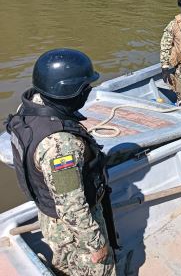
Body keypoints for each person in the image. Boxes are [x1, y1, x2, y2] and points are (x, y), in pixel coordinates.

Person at [5, 49, 115, 275]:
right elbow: (72, 207)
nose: (89, 91)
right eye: (86, 88)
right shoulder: (60, 145)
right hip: (73, 229)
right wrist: (95, 244)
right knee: (98, 268)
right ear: (70, 91)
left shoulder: (28, 109)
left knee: (65, 267)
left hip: (48, 215)